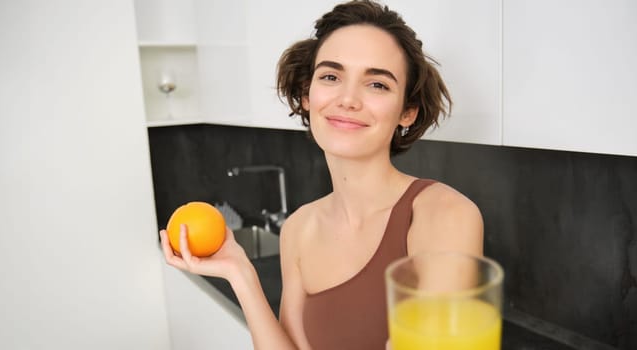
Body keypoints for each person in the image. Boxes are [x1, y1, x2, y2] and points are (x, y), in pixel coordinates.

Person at [160, 1, 483, 349]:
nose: (347, 98)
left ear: (407, 112)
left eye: (377, 84)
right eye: (331, 77)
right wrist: (241, 274)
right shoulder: (299, 228)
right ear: (306, 96)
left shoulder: (445, 215)